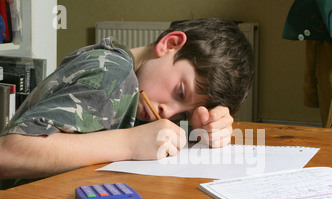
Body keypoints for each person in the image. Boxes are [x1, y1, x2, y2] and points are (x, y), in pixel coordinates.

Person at [0, 17, 254, 189]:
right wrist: (129, 143)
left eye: (184, 113)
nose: (168, 113)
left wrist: (202, 128)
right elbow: (8, 154)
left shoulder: (126, 68)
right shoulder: (114, 76)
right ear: (170, 44)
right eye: (179, 93)